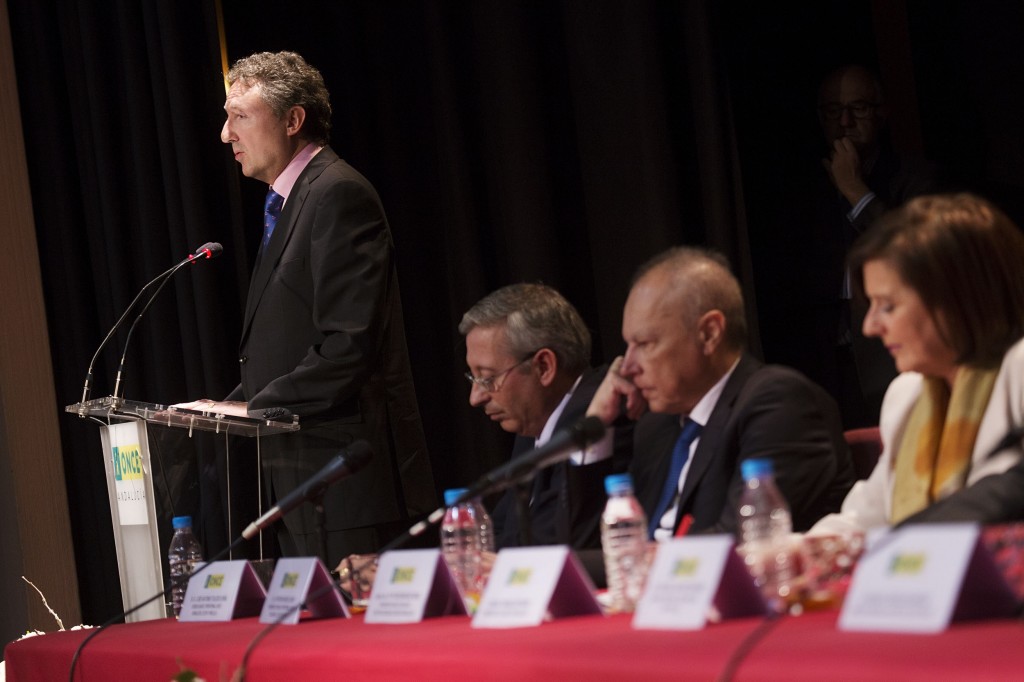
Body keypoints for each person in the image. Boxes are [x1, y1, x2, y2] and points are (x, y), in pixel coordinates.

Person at [183, 51, 435, 566]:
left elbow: (348, 345)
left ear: (293, 119)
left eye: (240, 116)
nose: (226, 135)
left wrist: (255, 408)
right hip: (300, 484)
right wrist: (220, 407)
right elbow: (288, 345)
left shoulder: (338, 194)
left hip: (347, 488)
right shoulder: (290, 200)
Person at [587, 247, 855, 539]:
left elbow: (739, 542)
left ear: (710, 333)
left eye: (644, 344)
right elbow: (594, 546)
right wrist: (595, 428)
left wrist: (641, 558)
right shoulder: (656, 427)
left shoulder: (779, 403)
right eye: (628, 345)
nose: (627, 367)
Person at [811, 193, 1024, 535]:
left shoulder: (1018, 368)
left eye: (887, 306)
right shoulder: (908, 393)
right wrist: (795, 550)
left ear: (957, 299)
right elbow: (863, 519)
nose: (870, 327)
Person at [758, 64, 938, 429]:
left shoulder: (915, 177)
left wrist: (857, 192)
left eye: (858, 108)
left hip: (889, 360)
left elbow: (915, 254)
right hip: (820, 364)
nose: (844, 121)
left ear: (881, 113)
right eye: (832, 111)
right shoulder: (796, 189)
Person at [459, 283, 630, 549]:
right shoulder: (533, 424)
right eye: (474, 378)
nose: (475, 397)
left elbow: (559, 543)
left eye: (488, 378)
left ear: (544, 366)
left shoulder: (600, 420)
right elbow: (502, 529)